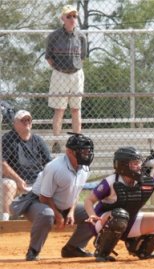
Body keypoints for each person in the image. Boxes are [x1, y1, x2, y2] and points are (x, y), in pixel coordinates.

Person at [84, 146, 154, 262]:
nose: (139, 166)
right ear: (123, 165)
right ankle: (102, 251)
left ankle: (140, 250)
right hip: (103, 222)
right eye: (135, 163)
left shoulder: (144, 180)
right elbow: (89, 200)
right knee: (120, 215)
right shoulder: (111, 181)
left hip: (127, 221)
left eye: (139, 162)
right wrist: (92, 215)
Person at [11, 133, 95, 261]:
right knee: (47, 214)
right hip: (37, 202)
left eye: (88, 151)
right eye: (82, 151)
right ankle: (33, 251)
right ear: (69, 152)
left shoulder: (85, 168)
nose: (86, 154)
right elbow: (44, 198)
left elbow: (75, 192)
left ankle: (73, 248)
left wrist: (71, 212)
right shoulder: (56, 167)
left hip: (63, 205)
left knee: (92, 213)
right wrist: (58, 215)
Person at [45, 5, 87, 153]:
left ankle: (77, 141)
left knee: (76, 109)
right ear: (62, 18)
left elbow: (82, 57)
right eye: (68, 16)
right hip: (60, 74)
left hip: (76, 74)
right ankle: (56, 141)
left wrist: (74, 67)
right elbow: (49, 57)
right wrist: (59, 68)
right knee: (60, 110)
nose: (72, 19)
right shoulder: (54, 36)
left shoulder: (81, 36)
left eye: (74, 16)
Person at [1, 110, 51, 221]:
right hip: (16, 181)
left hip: (36, 181)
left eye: (29, 120)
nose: (27, 122)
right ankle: (5, 221)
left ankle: (47, 216)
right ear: (15, 124)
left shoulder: (38, 140)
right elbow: (3, 163)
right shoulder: (8, 139)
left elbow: (49, 163)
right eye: (23, 120)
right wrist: (18, 180)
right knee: (8, 184)